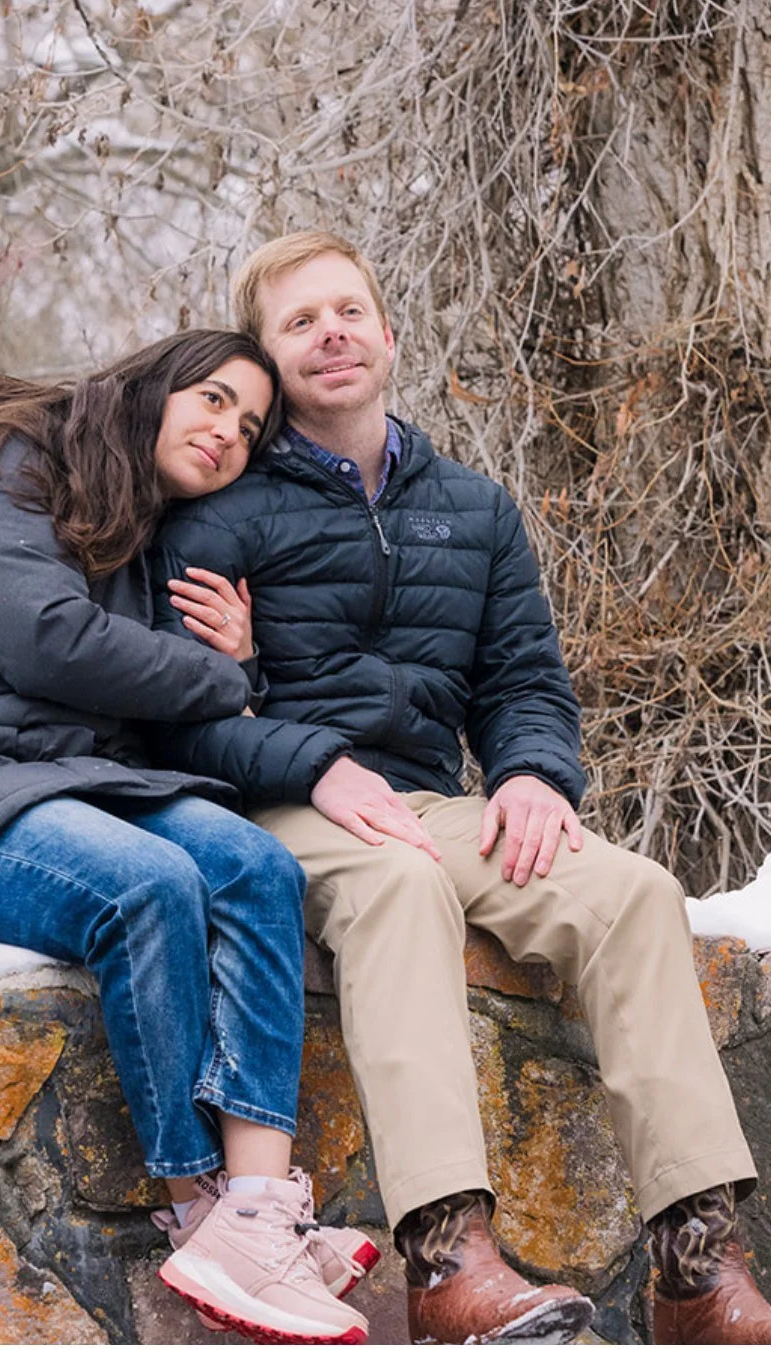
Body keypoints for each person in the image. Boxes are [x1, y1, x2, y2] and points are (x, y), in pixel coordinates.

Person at [150, 234, 771, 1345]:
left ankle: (696, 1276)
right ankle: (447, 1263)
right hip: (277, 802)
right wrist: (307, 758)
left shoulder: (476, 508)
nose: (332, 335)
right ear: (269, 359)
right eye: (300, 323)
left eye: (349, 312)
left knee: (632, 894)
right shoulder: (217, 514)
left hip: (426, 802)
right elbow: (181, 711)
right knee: (399, 885)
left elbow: (524, 679)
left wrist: (531, 773)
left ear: (388, 335)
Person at [0, 328, 374, 1346]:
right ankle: (197, 1205)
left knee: (257, 866)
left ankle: (260, 1211)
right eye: (213, 399)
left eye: (251, 427)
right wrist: (230, 675)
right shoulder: (3, 462)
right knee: (147, 885)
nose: (229, 433)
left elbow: (157, 689)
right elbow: (44, 639)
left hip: (75, 786)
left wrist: (240, 661)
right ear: (153, 387)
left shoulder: (139, 526)